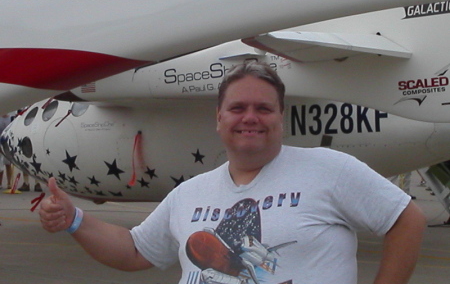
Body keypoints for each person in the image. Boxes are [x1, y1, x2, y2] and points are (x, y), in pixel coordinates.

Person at [39, 62, 426, 284]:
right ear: (219, 118)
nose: (250, 118)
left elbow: (406, 219)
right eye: (238, 108)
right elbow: (135, 251)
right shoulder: (191, 192)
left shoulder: (328, 168)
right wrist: (75, 220)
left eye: (264, 108)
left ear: (281, 119)